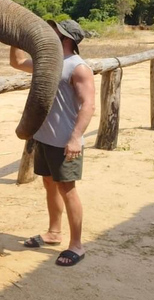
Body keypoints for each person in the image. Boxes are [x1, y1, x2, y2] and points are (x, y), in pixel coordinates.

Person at [9, 19, 95, 267]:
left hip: (65, 140)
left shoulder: (78, 68)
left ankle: (77, 245)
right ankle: (54, 233)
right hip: (45, 138)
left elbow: (88, 105)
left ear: (66, 39)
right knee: (49, 184)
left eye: (54, 31)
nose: (48, 33)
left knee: (67, 189)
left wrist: (76, 137)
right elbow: (16, 63)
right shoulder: (47, 62)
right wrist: (16, 38)